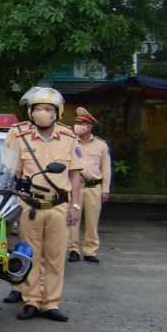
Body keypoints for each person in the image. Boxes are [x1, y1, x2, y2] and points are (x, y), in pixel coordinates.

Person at [9, 87, 82, 322]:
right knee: (30, 255)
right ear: (30, 111)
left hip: (59, 206)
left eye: (48, 108)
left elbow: (75, 176)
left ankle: (51, 303)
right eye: (38, 108)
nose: (42, 112)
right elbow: (11, 173)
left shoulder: (69, 137)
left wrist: (75, 206)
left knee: (55, 257)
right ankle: (31, 300)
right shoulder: (18, 135)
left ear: (57, 112)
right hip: (29, 206)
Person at [69, 107, 110, 263]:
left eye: (81, 122)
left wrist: (105, 189)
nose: (78, 125)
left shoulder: (101, 145)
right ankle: (73, 249)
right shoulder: (70, 142)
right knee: (73, 219)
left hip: (94, 187)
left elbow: (106, 169)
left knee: (92, 221)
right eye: (77, 122)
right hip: (75, 187)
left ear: (90, 126)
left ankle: (90, 251)